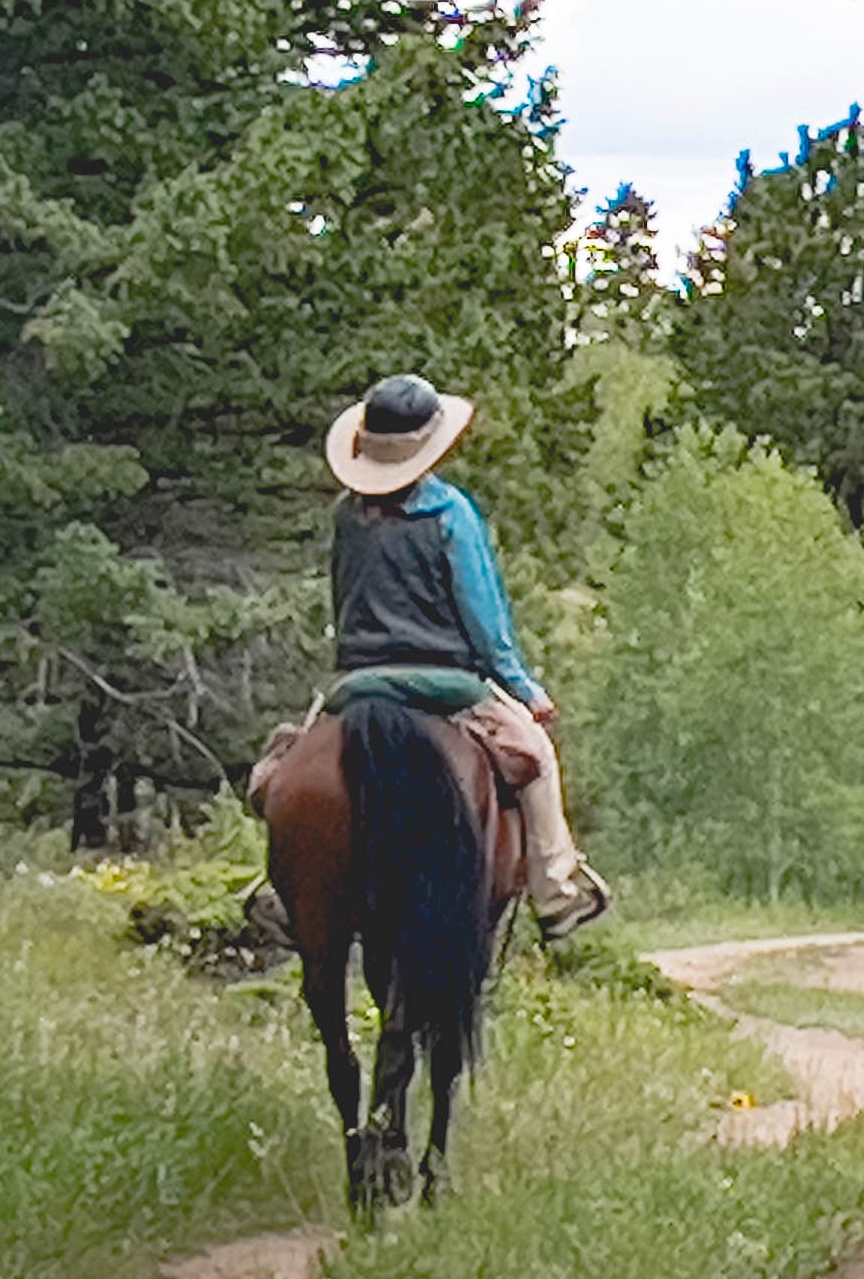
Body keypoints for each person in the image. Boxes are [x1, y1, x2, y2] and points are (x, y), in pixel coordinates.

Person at [253, 372, 608, 944]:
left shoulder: (346, 515)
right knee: (537, 759)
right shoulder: (451, 513)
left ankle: (281, 888)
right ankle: (557, 893)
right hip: (449, 685)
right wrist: (521, 687)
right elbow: (483, 619)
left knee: (290, 767)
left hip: (359, 682)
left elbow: (342, 599)